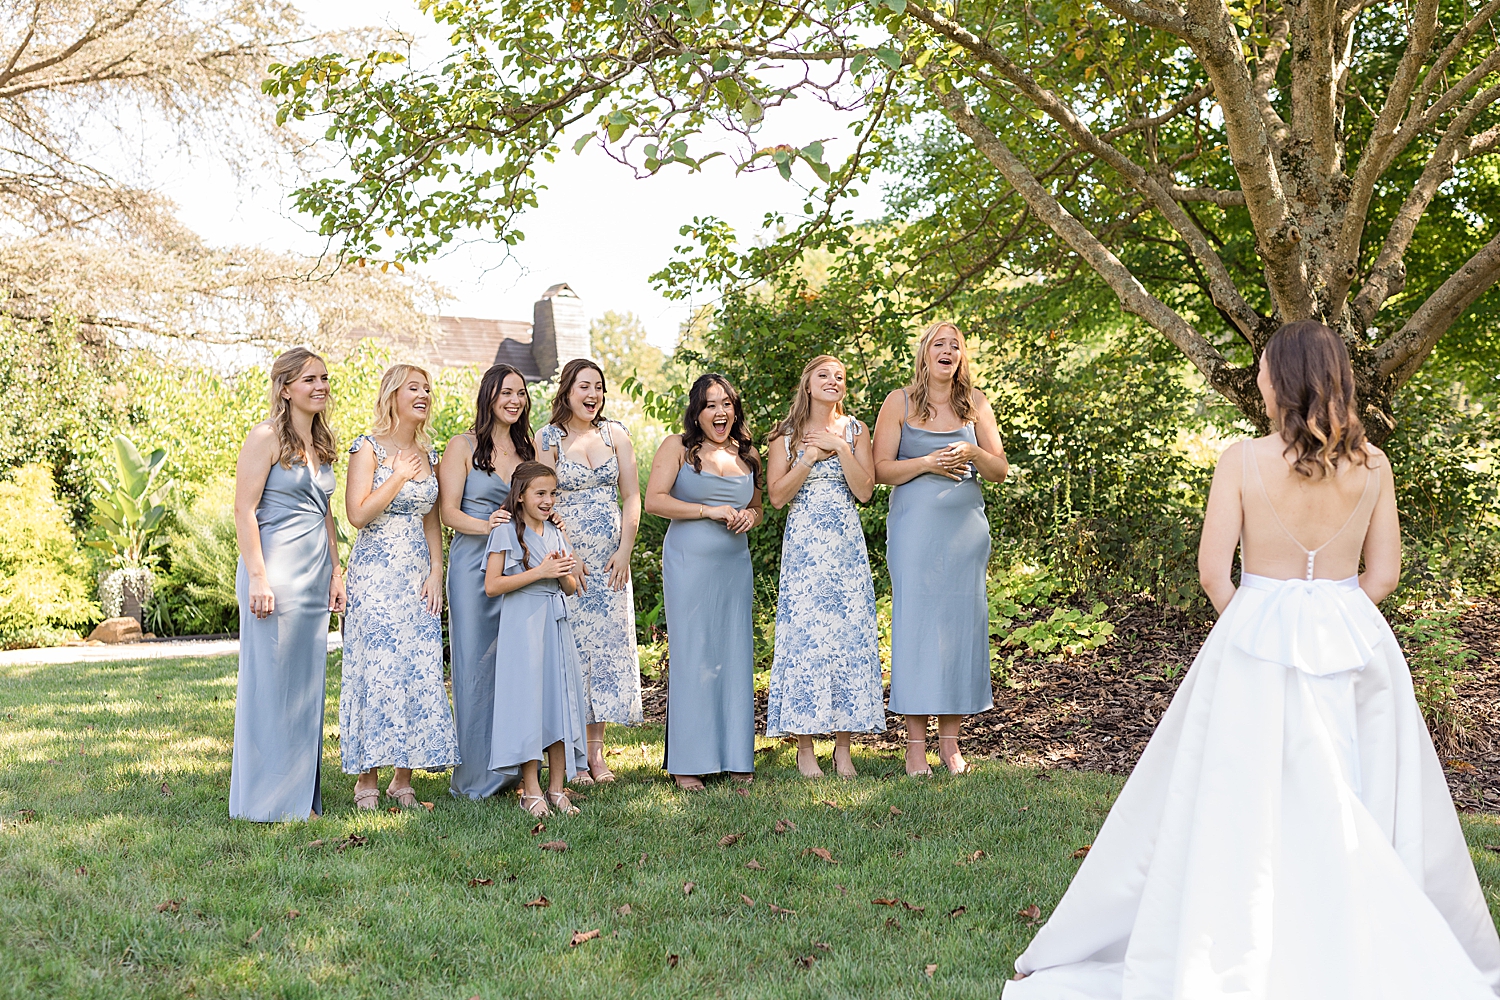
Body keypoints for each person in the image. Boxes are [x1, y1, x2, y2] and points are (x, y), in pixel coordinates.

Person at [1005, 321, 1500, 998]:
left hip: (1255, 631)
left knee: (1242, 794)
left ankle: (1241, 933)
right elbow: (1383, 574)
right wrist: (1332, 612)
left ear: (1284, 379)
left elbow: (1214, 572)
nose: (1260, 381)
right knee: (1358, 788)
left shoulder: (1239, 459)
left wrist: (1260, 622)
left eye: (1265, 369)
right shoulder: (1373, 464)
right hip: (1352, 635)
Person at [873, 321, 1009, 776]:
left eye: (955, 345)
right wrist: (929, 462)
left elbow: (1000, 470)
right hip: (915, 536)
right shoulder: (900, 402)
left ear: (961, 357)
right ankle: (914, 747)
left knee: (959, 632)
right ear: (925, 354)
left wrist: (972, 454)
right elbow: (880, 471)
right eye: (939, 343)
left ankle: (950, 745)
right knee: (916, 630)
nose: (947, 350)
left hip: (965, 536)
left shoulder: (976, 405)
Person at [229, 348, 345, 822]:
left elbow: (327, 515)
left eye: (324, 379)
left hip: (315, 575)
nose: (320, 386)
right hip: (273, 574)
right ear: (285, 388)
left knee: (305, 688)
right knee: (271, 686)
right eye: (309, 379)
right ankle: (267, 800)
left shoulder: (321, 442)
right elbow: (243, 510)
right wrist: (258, 576)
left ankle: (300, 798)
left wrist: (338, 572)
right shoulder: (265, 437)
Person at [340, 364, 459, 810]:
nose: (424, 393)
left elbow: (431, 518)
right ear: (393, 395)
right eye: (414, 387)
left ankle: (402, 779)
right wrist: (398, 476)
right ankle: (366, 779)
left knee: (418, 667)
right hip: (374, 575)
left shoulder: (430, 455)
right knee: (377, 667)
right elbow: (357, 514)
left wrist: (436, 571)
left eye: (427, 387)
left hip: (416, 578)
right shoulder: (366, 448)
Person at [763, 355, 883, 778]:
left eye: (840, 377)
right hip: (805, 550)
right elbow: (777, 497)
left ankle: (844, 749)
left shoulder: (856, 430)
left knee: (849, 638)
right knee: (806, 641)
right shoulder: (784, 435)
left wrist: (839, 448)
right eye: (824, 375)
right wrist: (809, 457)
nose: (833, 381)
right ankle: (806, 748)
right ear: (808, 384)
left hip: (846, 548)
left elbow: (865, 490)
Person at [644, 373, 764, 791]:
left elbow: (756, 506)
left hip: (734, 564)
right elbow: (654, 500)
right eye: (711, 404)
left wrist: (751, 516)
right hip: (689, 561)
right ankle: (688, 761)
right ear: (697, 411)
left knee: (733, 651)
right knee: (694, 651)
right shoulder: (677, 448)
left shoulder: (747, 453)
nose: (721, 412)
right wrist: (707, 511)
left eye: (727, 404)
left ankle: (735, 756)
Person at [538, 358, 643, 784]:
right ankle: (573, 758)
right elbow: (542, 500)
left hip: (612, 564)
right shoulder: (549, 438)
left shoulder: (615, 433)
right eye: (584, 386)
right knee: (573, 655)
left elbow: (632, 496)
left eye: (598, 387)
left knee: (606, 654)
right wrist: (568, 554)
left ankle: (597, 757)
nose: (592, 395)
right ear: (567, 391)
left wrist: (625, 551)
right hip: (569, 561)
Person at [438, 363, 535, 800]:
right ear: (489, 398)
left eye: (520, 393)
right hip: (471, 567)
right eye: (505, 393)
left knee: (514, 667)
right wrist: (487, 524)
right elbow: (448, 513)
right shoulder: (462, 446)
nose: (514, 401)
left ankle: (515, 771)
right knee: (475, 667)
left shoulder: (529, 448)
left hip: (517, 567)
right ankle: (476, 776)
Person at [484, 461, 588, 818]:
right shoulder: (504, 533)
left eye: (552, 493)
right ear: (520, 496)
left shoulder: (556, 533)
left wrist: (561, 574)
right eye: (540, 493)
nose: (548, 500)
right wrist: (538, 572)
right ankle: (531, 790)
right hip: (522, 624)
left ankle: (558, 789)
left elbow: (571, 587)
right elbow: (492, 585)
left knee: (557, 702)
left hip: (555, 622)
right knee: (529, 704)